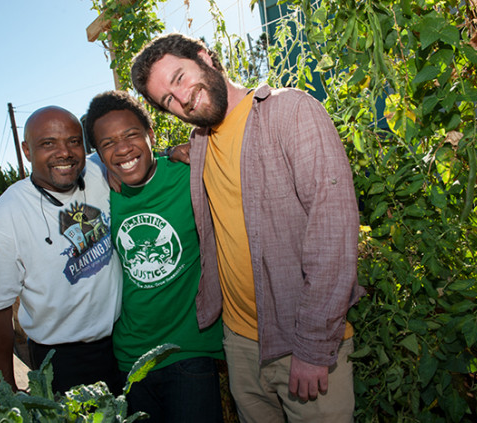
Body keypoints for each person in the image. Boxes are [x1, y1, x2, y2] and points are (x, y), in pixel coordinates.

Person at [130, 33, 365, 422]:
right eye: (167, 100)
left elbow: (334, 235)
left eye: (179, 78)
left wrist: (312, 346)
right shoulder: (200, 143)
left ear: (206, 57)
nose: (182, 98)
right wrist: (166, 155)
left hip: (301, 341)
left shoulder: (290, 112)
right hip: (240, 344)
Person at [84, 90, 224, 423]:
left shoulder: (187, 176)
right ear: (99, 155)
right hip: (131, 358)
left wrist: (172, 152)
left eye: (131, 134)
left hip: (189, 349)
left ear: (150, 134)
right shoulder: (101, 196)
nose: (121, 148)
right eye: (108, 144)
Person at [0, 106, 123, 395]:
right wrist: (9, 390)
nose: (64, 152)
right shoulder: (4, 218)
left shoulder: (101, 171)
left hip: (124, 341)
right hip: (61, 361)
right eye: (48, 143)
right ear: (26, 150)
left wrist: (176, 152)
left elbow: (141, 160)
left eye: (73, 141)